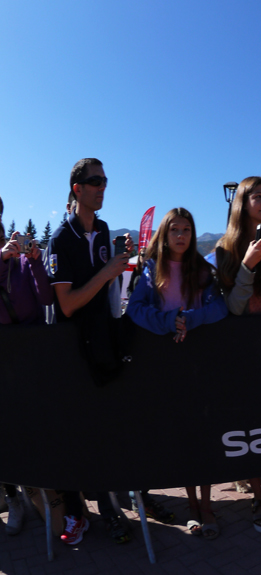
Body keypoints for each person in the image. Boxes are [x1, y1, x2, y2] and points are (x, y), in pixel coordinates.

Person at [45, 158, 137, 546]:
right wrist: (107, 273)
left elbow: (106, 291)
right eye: (95, 181)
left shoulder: (101, 229)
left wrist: (118, 267)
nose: (102, 187)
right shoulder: (59, 240)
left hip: (103, 341)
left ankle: (111, 510)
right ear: (76, 188)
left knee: (104, 432)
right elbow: (67, 305)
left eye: (105, 181)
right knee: (72, 436)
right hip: (70, 350)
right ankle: (74, 513)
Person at [126, 207, 228, 539]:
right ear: (165, 234)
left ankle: (208, 504)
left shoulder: (202, 269)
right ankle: (192, 506)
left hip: (201, 361)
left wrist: (192, 318)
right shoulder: (150, 270)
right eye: (175, 230)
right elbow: (135, 309)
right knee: (184, 435)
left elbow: (220, 307)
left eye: (186, 229)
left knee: (204, 433)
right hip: (167, 363)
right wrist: (168, 322)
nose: (181, 235)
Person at [208, 176, 261, 533]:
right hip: (240, 353)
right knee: (250, 428)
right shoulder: (222, 250)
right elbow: (233, 310)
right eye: (257, 196)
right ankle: (257, 498)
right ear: (241, 201)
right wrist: (246, 266)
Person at [0, 197, 52, 535]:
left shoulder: (20, 261)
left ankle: (45, 497)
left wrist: (34, 262)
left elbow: (46, 299)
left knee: (33, 430)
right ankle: (13, 499)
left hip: (31, 360)